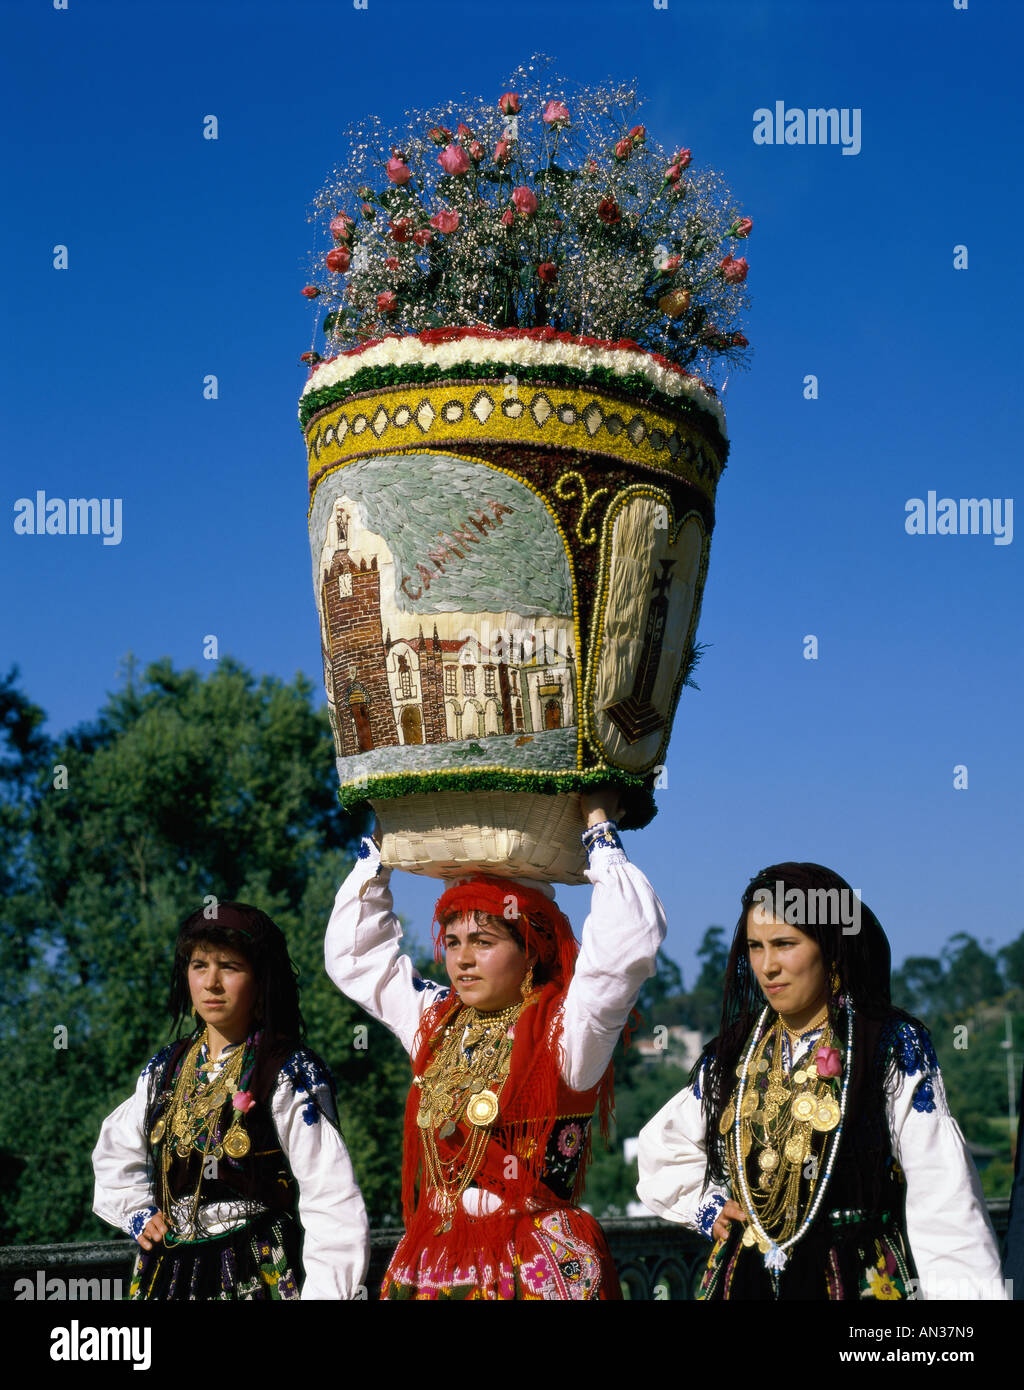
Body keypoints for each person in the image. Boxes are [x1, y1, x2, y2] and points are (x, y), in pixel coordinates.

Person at [324, 790, 666, 1299]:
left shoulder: (566, 1029)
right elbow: (355, 957)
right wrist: (381, 844)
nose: (462, 959)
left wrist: (597, 829)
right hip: (433, 1266)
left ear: (531, 950)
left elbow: (625, 949)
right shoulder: (436, 1018)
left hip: (529, 1268)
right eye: (454, 941)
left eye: (484, 942)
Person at [636, 862, 1007, 1301]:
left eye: (785, 944)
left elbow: (944, 1197)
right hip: (746, 1282)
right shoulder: (735, 1052)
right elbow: (663, 1146)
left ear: (830, 947)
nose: (768, 965)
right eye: (756, 947)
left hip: (854, 1280)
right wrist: (708, 1206)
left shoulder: (885, 1045)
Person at [92, 902, 370, 1299]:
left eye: (230, 967)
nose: (211, 983)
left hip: (254, 1268)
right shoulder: (165, 1069)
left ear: (261, 980)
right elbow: (116, 1151)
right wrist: (137, 1209)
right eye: (199, 965)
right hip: (167, 1272)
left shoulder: (289, 1070)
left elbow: (331, 1197)